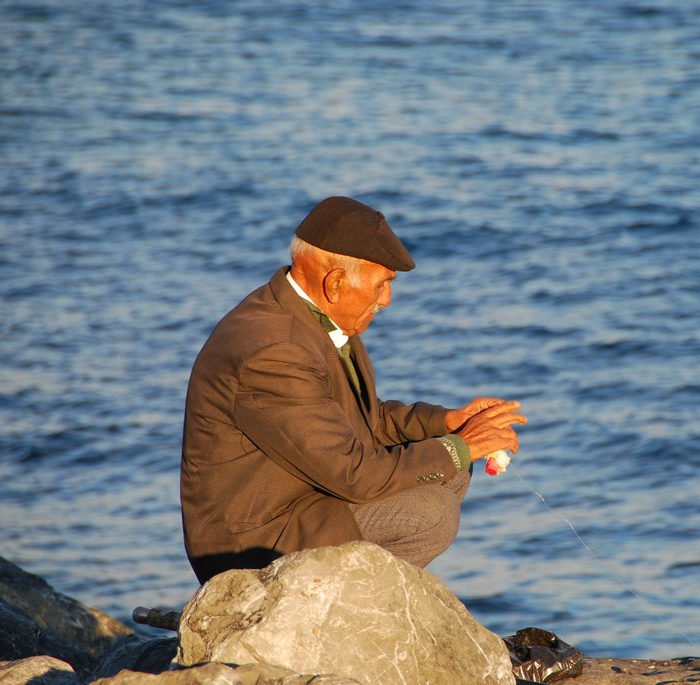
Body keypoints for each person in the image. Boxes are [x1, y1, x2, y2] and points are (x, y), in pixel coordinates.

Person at [180, 196, 527, 584]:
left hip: (305, 499)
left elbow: (367, 420)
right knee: (430, 513)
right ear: (336, 282)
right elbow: (353, 474)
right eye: (382, 285)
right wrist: (463, 446)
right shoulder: (274, 351)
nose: (387, 300)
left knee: (451, 467)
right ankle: (344, 616)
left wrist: (450, 422)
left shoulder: (318, 317)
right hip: (253, 542)